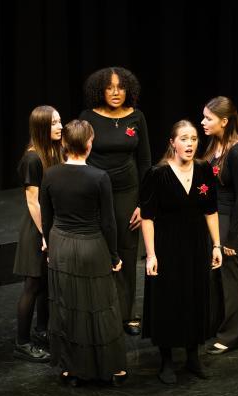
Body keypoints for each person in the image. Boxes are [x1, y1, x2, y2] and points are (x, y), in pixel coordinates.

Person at [40, 119, 127, 387]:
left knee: (68, 306)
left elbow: (47, 218)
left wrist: (51, 247)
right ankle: (109, 367)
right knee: (100, 308)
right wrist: (114, 256)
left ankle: (71, 368)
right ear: (90, 144)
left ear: (65, 144)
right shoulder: (99, 177)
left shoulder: (50, 175)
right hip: (92, 246)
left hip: (61, 245)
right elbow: (109, 223)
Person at [140, 120, 222, 384]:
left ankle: (192, 355)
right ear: (172, 143)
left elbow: (211, 210)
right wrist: (151, 255)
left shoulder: (204, 169)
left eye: (194, 139)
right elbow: (148, 217)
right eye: (184, 139)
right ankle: (166, 360)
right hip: (167, 246)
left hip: (197, 244)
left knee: (196, 294)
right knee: (168, 298)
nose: (190, 144)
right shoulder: (157, 174)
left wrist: (217, 245)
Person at [79, 66, 151, 336]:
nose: (115, 92)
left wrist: (143, 203)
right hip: (96, 193)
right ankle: (100, 310)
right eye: (109, 87)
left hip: (128, 192)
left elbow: (144, 161)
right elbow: (79, 156)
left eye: (120, 87)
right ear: (100, 90)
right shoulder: (88, 117)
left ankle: (126, 314)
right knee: (99, 251)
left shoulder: (137, 117)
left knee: (128, 252)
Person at [201, 96, 238, 354]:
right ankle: (215, 325)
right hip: (215, 216)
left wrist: (231, 239)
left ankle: (233, 335)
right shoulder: (215, 145)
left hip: (231, 218)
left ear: (224, 121)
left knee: (230, 275)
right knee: (213, 274)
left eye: (208, 118)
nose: (203, 122)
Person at [13, 105, 63, 362]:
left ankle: (42, 330)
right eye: (54, 123)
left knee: (45, 283)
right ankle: (22, 342)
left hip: (50, 225)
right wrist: (45, 233)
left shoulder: (54, 151)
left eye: (59, 121)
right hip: (37, 229)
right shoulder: (33, 158)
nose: (60, 126)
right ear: (43, 127)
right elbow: (33, 201)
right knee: (32, 285)